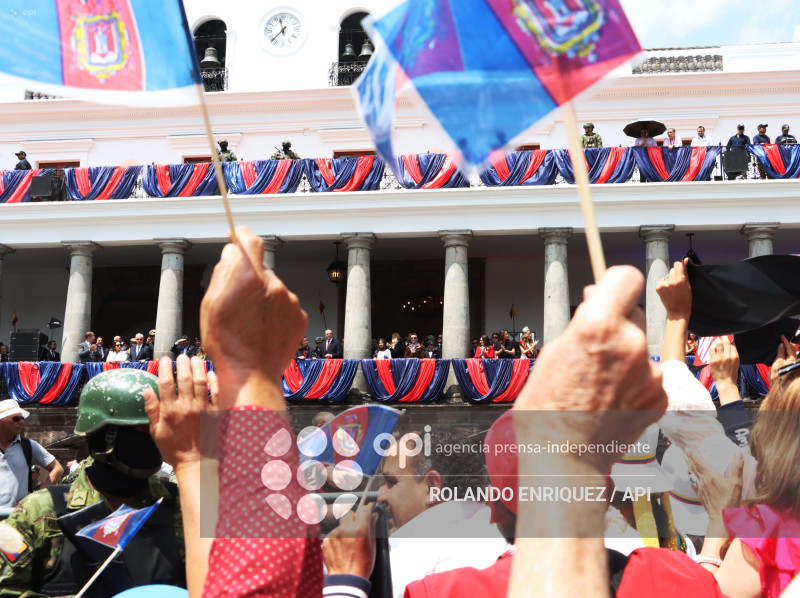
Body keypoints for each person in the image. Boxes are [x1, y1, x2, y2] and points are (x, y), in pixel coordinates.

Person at [0, 369, 185, 596]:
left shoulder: (182, 507)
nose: (154, 439)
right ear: (101, 436)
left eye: (160, 430)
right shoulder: (38, 512)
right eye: (141, 430)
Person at [0, 399, 63, 508]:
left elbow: (57, 469)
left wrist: (36, 497)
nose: (21, 422)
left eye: (22, 418)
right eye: (16, 419)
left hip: (17, 519)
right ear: (1, 420)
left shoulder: (28, 446)